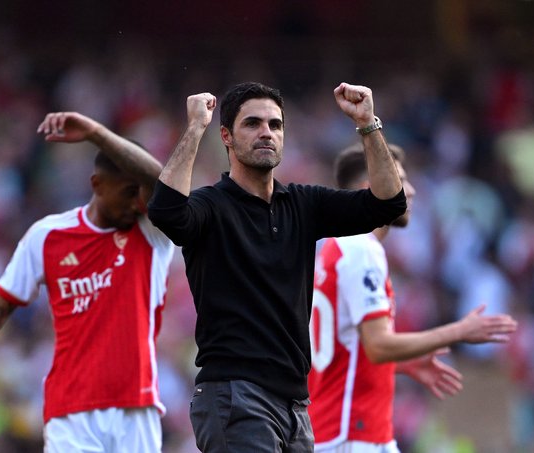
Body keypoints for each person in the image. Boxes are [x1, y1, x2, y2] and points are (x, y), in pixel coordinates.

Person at [146, 81, 406, 452]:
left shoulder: (303, 204)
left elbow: (388, 204)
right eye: (252, 124)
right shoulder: (210, 207)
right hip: (236, 395)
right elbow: (166, 212)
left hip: (296, 407)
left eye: (275, 124)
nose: (266, 132)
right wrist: (194, 129)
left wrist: (367, 123)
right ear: (226, 136)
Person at [0, 112, 174, 453]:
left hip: (136, 406)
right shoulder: (48, 236)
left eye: (140, 194)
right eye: (127, 193)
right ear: (97, 185)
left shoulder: (151, 231)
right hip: (70, 411)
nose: (136, 203)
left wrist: (96, 133)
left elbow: (163, 182)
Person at [307, 143, 519, 452]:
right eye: (402, 180)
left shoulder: (332, 250)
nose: (412, 191)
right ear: (373, 186)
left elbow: (346, 348)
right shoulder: (363, 250)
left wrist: (401, 365)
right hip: (352, 433)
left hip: (343, 429)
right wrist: (459, 331)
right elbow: (378, 346)